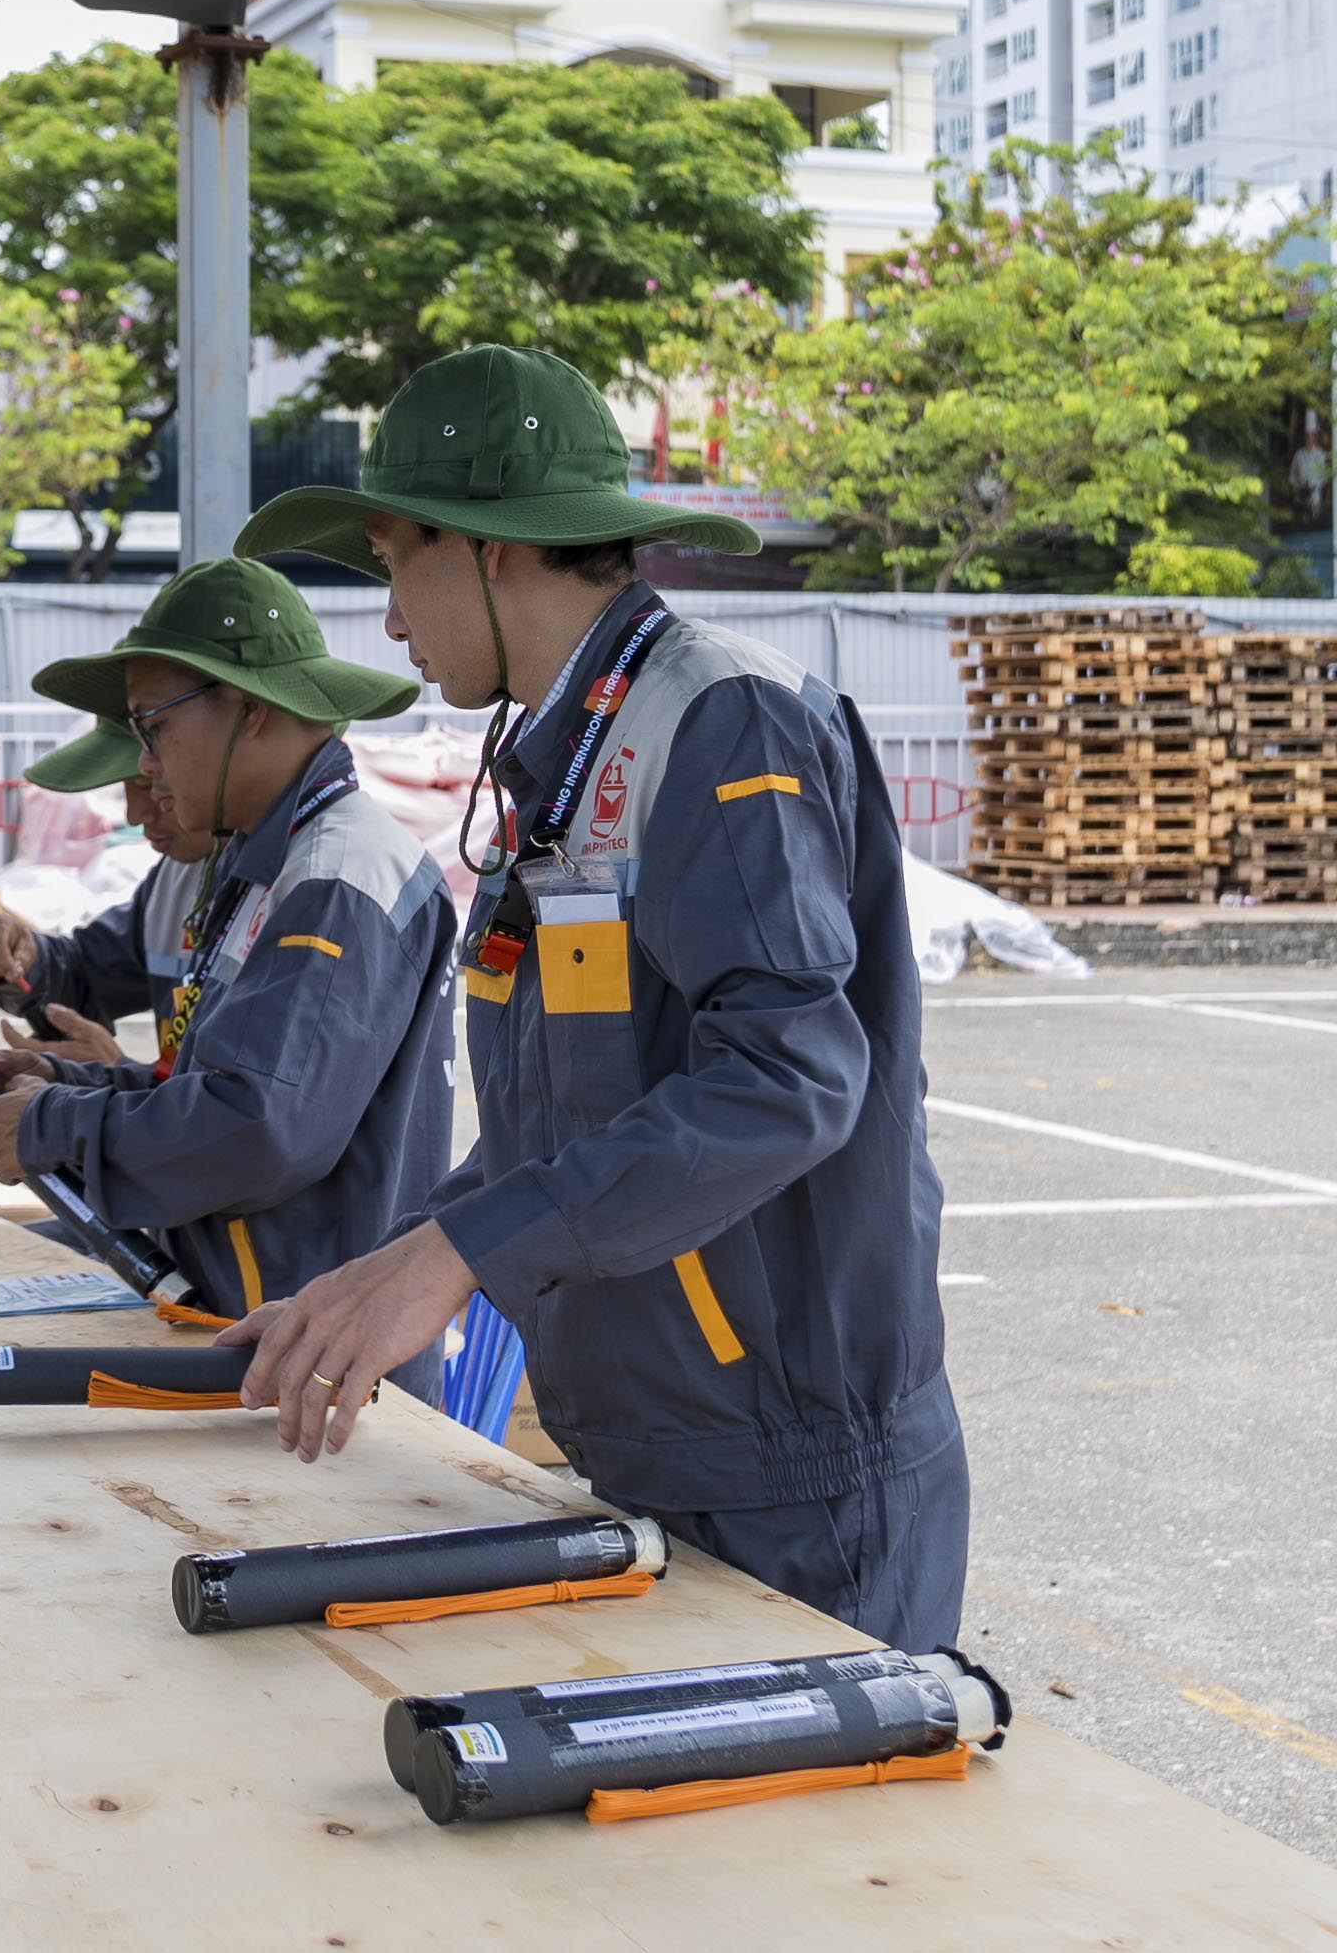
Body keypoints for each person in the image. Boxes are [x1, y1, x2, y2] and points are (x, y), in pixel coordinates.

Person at [221, 342, 971, 1655]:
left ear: (487, 547)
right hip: (660, 1444)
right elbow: (578, 1114)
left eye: (392, 562)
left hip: (789, 1476)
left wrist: (458, 1255)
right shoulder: (565, 753)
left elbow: (788, 1080)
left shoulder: (719, 721)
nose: (388, 621)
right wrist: (400, 1258)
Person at [0, 559, 458, 1367]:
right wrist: (59, 1082)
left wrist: (50, 1121)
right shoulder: (263, 862)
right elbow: (211, 1086)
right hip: (263, 1331)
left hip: (310, 1359)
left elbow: (258, 1129)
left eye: (150, 728)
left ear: (249, 709)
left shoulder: (334, 876)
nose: (143, 766)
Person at [0, 726, 207, 1066]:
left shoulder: (281, 897)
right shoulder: (178, 879)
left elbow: (246, 1097)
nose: (134, 814)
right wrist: (28, 958)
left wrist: (115, 1078)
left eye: (150, 783)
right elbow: (89, 974)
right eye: (128, 787)